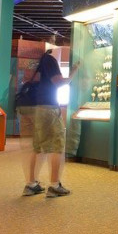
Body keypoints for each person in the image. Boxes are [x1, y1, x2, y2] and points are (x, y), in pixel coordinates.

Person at [22, 50, 80, 198]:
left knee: (38, 146)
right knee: (57, 145)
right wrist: (73, 72)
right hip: (48, 108)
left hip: (36, 107)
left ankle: (31, 184)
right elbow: (59, 82)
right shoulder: (49, 60)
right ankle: (54, 185)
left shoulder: (37, 61)